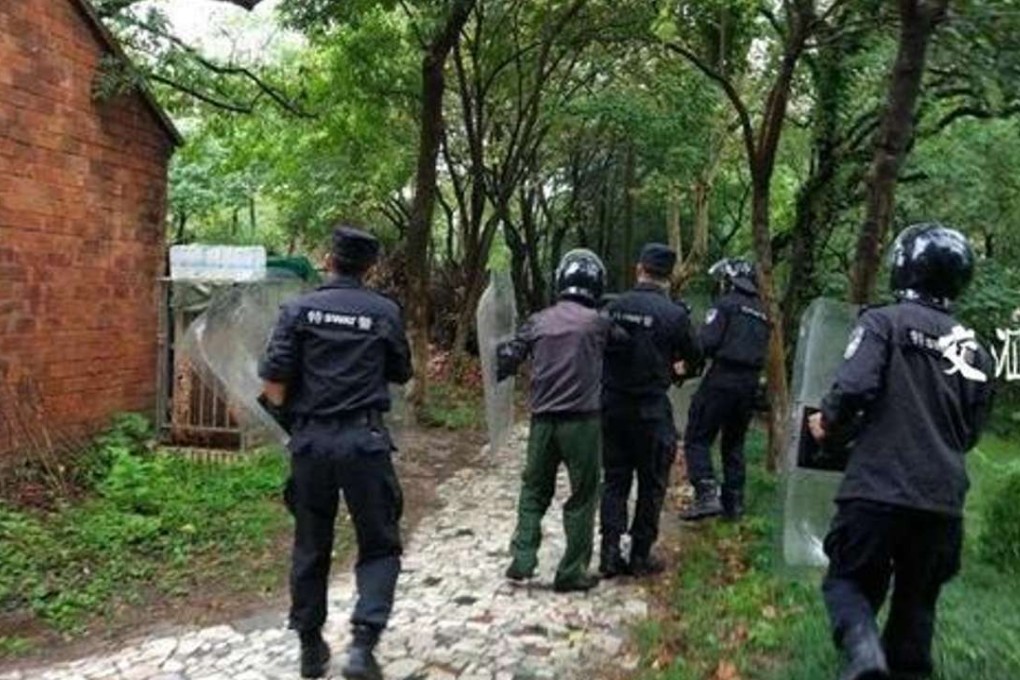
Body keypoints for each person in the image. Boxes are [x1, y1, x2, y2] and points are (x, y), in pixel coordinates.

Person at [808, 224, 994, 680]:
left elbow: (852, 389)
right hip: (942, 502)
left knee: (849, 583)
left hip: (876, 488)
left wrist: (825, 424)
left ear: (903, 265)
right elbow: (970, 433)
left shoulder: (883, 322)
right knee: (917, 608)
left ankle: (864, 654)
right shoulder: (978, 351)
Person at [259, 226, 412, 680]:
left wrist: (298, 422)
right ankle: (363, 647)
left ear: (329, 258)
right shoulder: (384, 312)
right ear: (370, 268)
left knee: (311, 541)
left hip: (310, 443)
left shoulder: (298, 309)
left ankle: (310, 647)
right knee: (379, 543)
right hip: (364, 442)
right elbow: (400, 373)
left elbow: (273, 383)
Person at [497, 249, 619, 592]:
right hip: (583, 422)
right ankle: (571, 572)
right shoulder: (599, 323)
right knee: (583, 496)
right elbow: (623, 345)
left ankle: (522, 558)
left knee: (534, 490)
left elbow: (508, 357)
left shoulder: (538, 321)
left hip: (542, 421)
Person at [599, 243, 701, 577]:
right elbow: (696, 359)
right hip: (651, 410)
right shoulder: (675, 315)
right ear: (669, 275)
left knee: (614, 479)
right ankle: (640, 554)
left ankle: (609, 553)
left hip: (612, 406)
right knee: (652, 482)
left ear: (638, 268)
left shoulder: (613, 308)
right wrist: (674, 372)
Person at [681, 258, 770, 521]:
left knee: (697, 437)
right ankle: (735, 506)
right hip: (749, 385)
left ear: (731, 280)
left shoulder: (726, 305)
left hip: (723, 378)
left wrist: (686, 358)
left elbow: (706, 343)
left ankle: (707, 494)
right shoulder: (763, 313)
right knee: (734, 443)